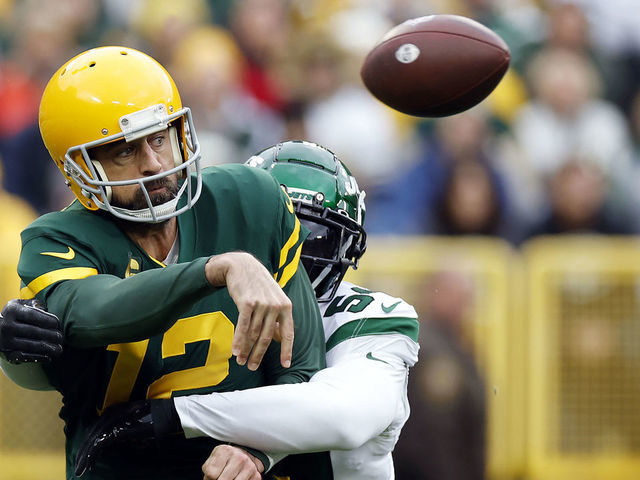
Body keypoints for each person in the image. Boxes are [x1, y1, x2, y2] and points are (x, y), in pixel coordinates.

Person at [1, 141, 421, 479]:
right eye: (283, 226)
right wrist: (23, 348)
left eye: (317, 236)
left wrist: (173, 416)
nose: (299, 248)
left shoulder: (371, 316)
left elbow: (342, 416)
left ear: (349, 246)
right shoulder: (203, 285)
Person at [0, 46, 326, 480]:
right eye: (124, 152)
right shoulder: (56, 238)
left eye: (158, 139)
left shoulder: (251, 200)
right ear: (78, 167)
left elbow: (303, 371)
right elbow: (95, 310)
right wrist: (216, 268)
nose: (154, 165)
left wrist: (258, 449)